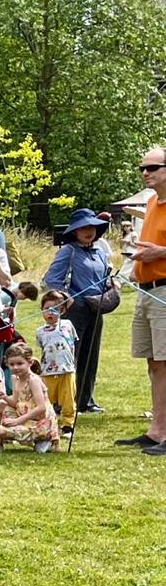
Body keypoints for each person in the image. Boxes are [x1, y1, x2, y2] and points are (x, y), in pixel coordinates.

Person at [42, 208, 111, 417]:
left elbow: (103, 277)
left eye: (91, 227)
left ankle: (85, 401)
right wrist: (66, 297)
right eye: (83, 228)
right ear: (75, 231)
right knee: (68, 356)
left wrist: (110, 284)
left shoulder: (100, 252)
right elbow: (51, 278)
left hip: (97, 306)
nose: (88, 231)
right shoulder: (68, 251)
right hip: (76, 309)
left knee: (91, 355)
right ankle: (61, 401)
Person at [122, 148, 166, 454]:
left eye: (152, 167)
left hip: (165, 291)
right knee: (154, 363)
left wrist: (159, 253)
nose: (145, 172)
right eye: (142, 167)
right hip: (145, 290)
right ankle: (157, 430)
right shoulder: (151, 202)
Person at [0, 342, 56, 453]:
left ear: (29, 362)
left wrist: (17, 421)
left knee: (1, 430)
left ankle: (44, 439)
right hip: (24, 415)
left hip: (38, 421)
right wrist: (4, 396)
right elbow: (14, 402)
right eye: (12, 364)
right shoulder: (15, 379)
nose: (15, 367)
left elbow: (41, 408)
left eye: (20, 363)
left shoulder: (33, 380)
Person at [35, 291, 78, 436]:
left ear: (62, 310)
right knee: (46, 399)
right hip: (48, 371)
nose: (50, 313)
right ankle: (47, 424)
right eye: (47, 309)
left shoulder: (67, 324)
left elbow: (70, 301)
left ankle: (67, 426)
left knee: (68, 400)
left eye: (55, 309)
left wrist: (61, 295)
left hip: (67, 370)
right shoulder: (40, 331)